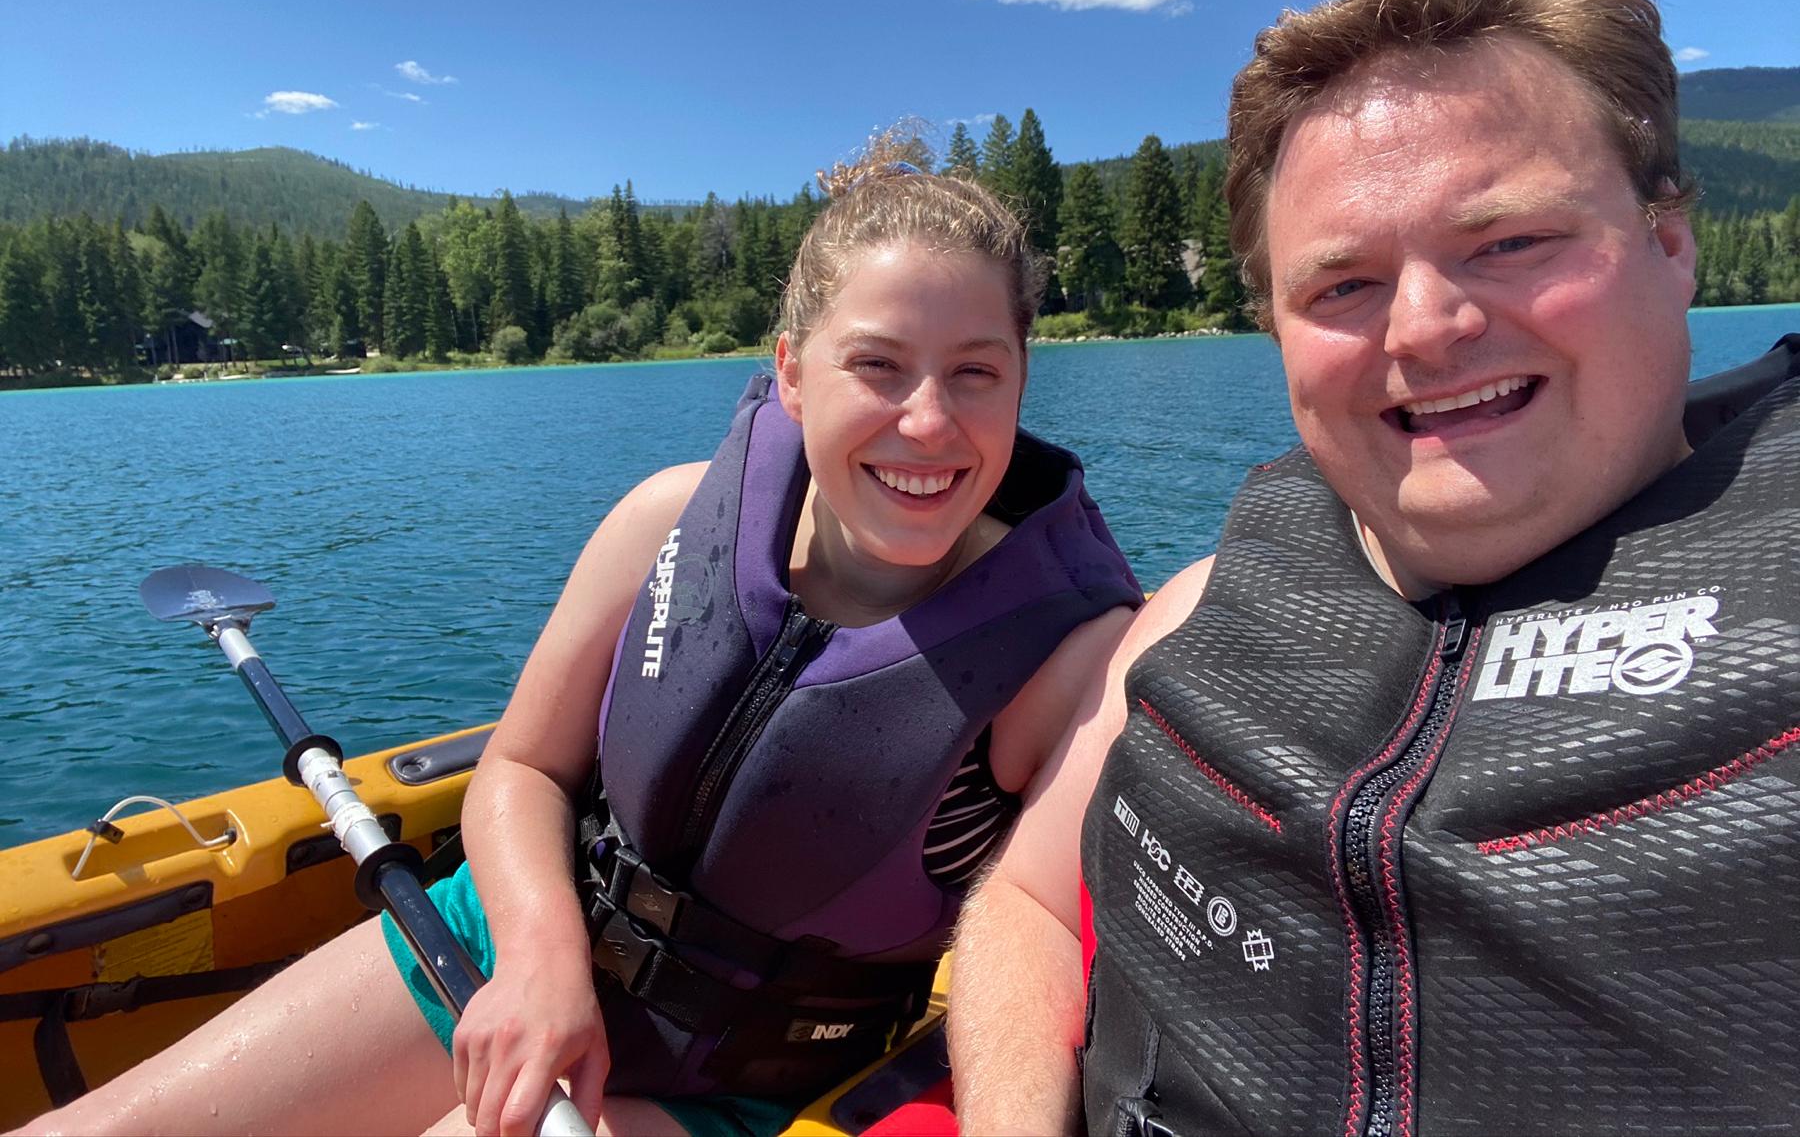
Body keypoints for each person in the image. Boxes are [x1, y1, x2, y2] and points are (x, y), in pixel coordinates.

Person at [25, 144, 1140, 1137]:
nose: (930, 422)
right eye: (879, 365)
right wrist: (546, 965)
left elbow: (1050, 946)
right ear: (793, 372)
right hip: (517, 935)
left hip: (754, 1079)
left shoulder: (1069, 659)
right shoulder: (667, 520)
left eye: (976, 372)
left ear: (1023, 379)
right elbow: (521, 768)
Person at [949, 0, 1800, 1136]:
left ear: (1669, 245)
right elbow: (1031, 909)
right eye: (1341, 285)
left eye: (1509, 243)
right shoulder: (1206, 607)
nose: (1427, 328)